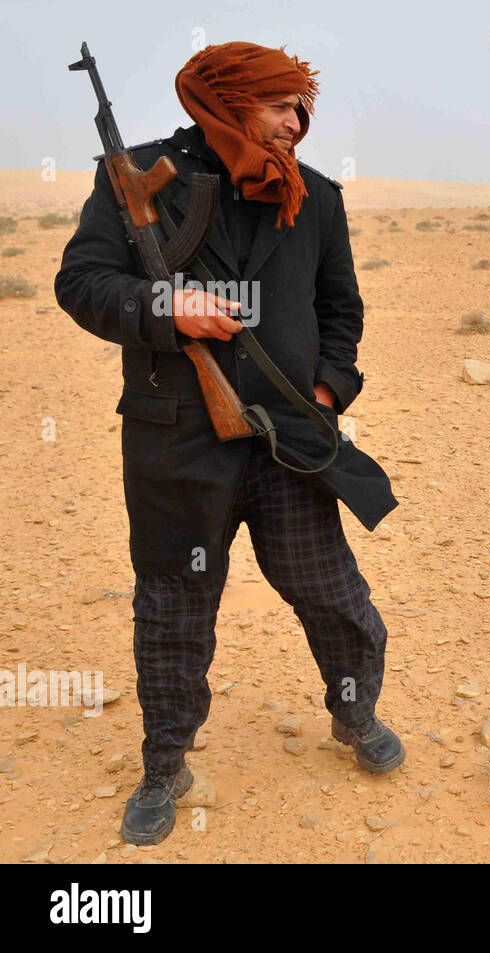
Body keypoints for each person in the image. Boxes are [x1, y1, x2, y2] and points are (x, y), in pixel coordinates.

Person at [55, 41, 404, 846]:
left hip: (286, 442)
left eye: (301, 108)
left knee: (332, 594)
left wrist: (326, 390)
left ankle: (356, 715)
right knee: (173, 612)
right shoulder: (139, 179)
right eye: (282, 105)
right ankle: (166, 763)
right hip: (177, 445)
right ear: (229, 101)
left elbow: (341, 308)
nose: (298, 121)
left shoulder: (316, 197)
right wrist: (165, 313)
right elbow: (82, 282)